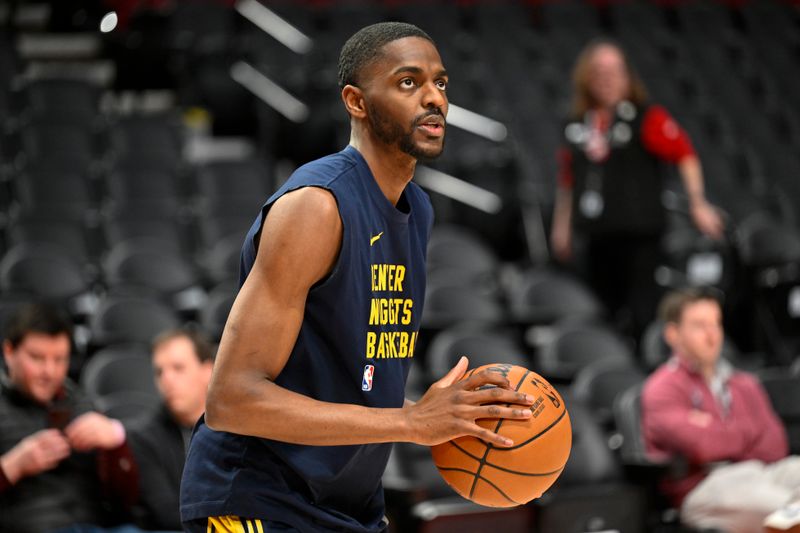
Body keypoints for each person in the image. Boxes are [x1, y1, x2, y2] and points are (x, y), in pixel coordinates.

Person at [180, 22, 536, 533]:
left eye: (441, 82)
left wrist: (444, 416)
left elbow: (350, 381)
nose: (434, 98)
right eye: (409, 82)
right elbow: (232, 399)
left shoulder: (418, 208)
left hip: (343, 504)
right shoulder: (316, 207)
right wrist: (410, 422)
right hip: (256, 499)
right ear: (356, 101)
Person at [550, 38, 725, 339]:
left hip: (641, 237)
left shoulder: (646, 117)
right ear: (586, 78)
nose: (607, 79)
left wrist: (697, 203)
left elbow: (685, 154)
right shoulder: (576, 123)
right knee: (600, 313)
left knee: (643, 312)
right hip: (597, 237)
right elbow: (568, 179)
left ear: (627, 77)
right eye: (599, 72)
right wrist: (561, 225)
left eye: (614, 72)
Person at [641, 287, 800, 533]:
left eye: (716, 324)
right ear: (673, 334)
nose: (712, 335)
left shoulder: (744, 383)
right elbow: (702, 446)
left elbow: (776, 443)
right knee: (788, 512)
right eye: (699, 325)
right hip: (706, 486)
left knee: (794, 467)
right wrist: (750, 432)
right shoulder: (661, 388)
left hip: (762, 470)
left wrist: (717, 429)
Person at [0, 302, 138, 533]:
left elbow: (125, 502)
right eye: (37, 358)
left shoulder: (82, 403)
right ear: (9, 352)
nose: (49, 372)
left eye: (59, 359)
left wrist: (116, 444)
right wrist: (14, 465)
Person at [127, 329, 214, 531]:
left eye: (178, 368)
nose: (167, 379)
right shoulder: (142, 438)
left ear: (207, 371)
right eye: (159, 372)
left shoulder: (234, 428)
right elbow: (167, 514)